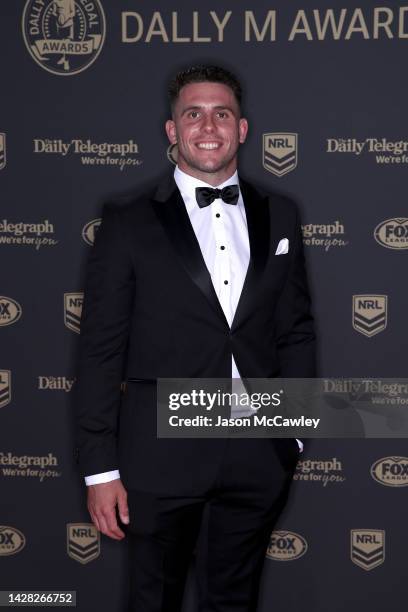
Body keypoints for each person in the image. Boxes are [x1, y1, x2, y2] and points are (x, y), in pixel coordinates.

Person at [74, 64, 316, 612]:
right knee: (151, 600)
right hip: (158, 454)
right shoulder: (128, 221)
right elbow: (100, 350)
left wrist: (294, 432)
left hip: (258, 452)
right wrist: (100, 468)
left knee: (235, 601)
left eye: (222, 114)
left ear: (243, 128)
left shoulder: (281, 214)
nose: (209, 126)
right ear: (172, 130)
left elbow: (296, 331)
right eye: (194, 114)